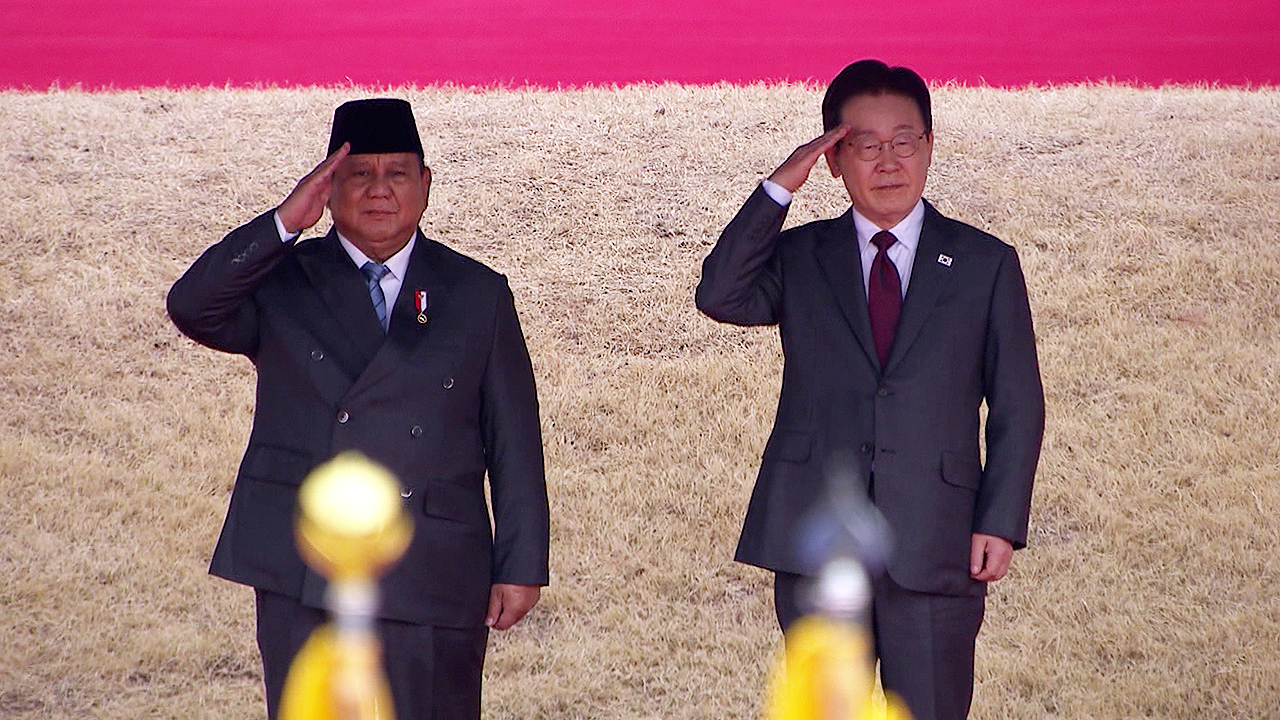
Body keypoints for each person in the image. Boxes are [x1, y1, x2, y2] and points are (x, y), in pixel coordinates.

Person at [167, 98, 549, 720]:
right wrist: (284, 223)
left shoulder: (476, 291)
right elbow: (192, 306)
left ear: (425, 185)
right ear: (327, 186)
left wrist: (521, 562)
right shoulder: (283, 279)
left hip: (432, 560)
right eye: (357, 174)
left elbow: (513, 440)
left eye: (397, 173)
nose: (379, 190)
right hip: (308, 562)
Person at [695, 60, 1045, 720]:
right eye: (865, 145)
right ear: (834, 158)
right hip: (817, 543)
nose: (889, 161)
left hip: (937, 542)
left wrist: (999, 520)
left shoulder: (983, 263)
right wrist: (780, 184)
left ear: (930, 146)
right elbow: (720, 295)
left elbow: (1018, 404)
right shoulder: (802, 257)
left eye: (905, 140)